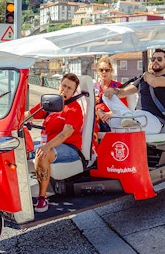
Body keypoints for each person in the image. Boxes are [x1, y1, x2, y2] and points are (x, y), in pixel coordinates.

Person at [25, 73, 84, 213]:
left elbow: (65, 133)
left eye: (69, 88)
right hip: (49, 143)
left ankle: (42, 197)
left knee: (42, 154)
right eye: (63, 85)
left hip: (70, 147)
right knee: (18, 150)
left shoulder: (75, 109)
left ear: (74, 92)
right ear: (59, 85)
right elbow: (30, 114)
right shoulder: (51, 104)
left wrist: (47, 146)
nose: (65, 90)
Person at [102, 48, 165, 134]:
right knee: (106, 97)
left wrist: (147, 73)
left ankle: (127, 117)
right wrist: (112, 91)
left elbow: (153, 82)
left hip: (154, 120)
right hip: (137, 115)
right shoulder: (144, 79)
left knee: (123, 121)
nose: (155, 61)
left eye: (159, 59)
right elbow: (123, 92)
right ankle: (127, 117)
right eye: (153, 59)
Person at [94, 55, 127, 132]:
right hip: (97, 119)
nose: (104, 72)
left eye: (107, 70)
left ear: (111, 70)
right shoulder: (94, 87)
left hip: (113, 118)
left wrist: (110, 113)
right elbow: (90, 105)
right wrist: (98, 112)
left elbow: (123, 105)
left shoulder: (116, 86)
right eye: (101, 70)